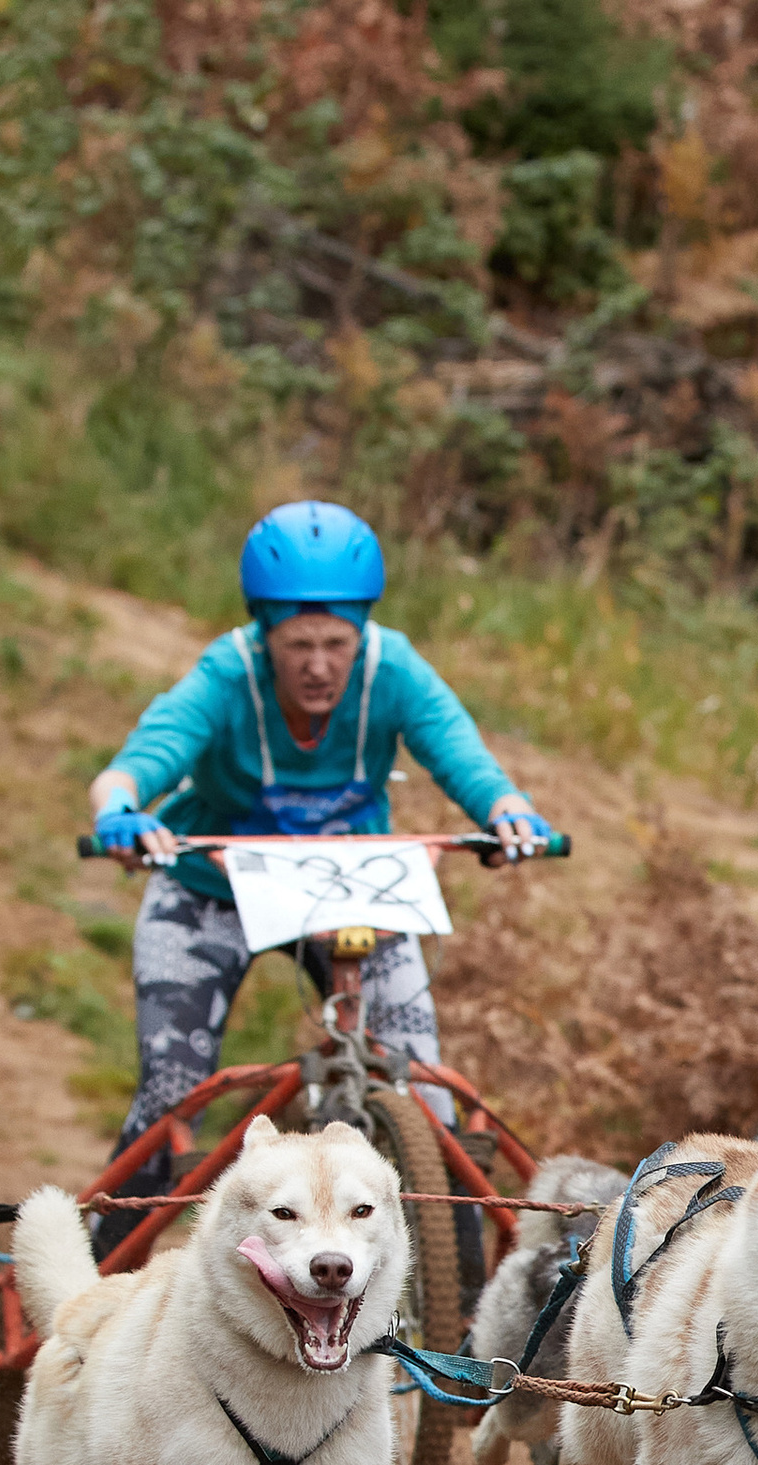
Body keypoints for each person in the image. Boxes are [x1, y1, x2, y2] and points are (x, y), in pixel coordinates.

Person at [84, 499, 549, 1260]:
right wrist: (120, 811)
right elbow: (141, 760)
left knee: (426, 1092)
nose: (320, 665)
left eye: (338, 642)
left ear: (363, 631)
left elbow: (462, 754)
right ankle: (101, 1272)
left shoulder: (392, 668)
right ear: (263, 635)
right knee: (174, 1090)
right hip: (210, 890)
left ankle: (458, 1292)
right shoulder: (227, 673)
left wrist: (508, 811)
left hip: (348, 891)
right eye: (298, 644)